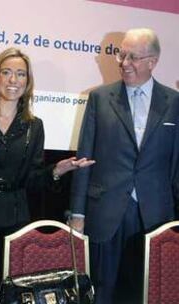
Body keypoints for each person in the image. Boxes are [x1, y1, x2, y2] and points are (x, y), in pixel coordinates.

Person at [0, 47, 94, 303]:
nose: (13, 80)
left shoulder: (34, 126)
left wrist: (56, 171)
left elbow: (33, 180)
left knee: (8, 294)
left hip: (13, 221)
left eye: (20, 74)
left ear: (28, 83)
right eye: (6, 72)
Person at [70, 28, 179, 304]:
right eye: (121, 54)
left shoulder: (174, 102)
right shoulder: (99, 98)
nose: (123, 62)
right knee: (102, 293)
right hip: (106, 212)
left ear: (152, 61)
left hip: (154, 216)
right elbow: (84, 160)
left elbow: (176, 166)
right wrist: (77, 213)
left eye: (133, 57)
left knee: (145, 293)